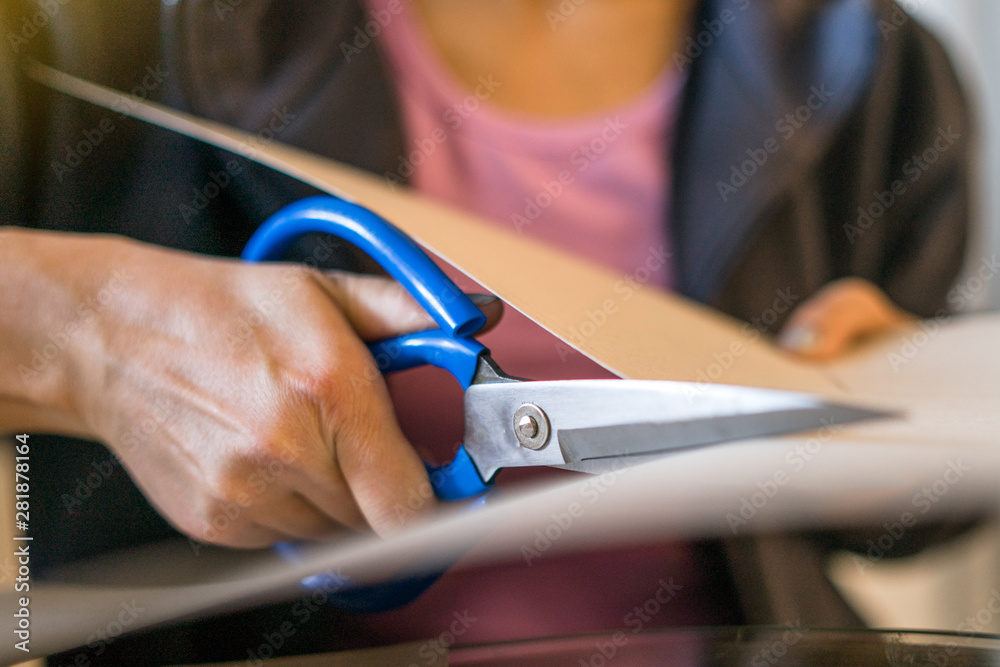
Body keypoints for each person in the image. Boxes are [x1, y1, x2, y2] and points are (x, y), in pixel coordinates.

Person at [0, 0, 972, 662]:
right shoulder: (86, 26)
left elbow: (911, 521)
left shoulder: (872, 59)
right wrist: (91, 339)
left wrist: (902, 419)